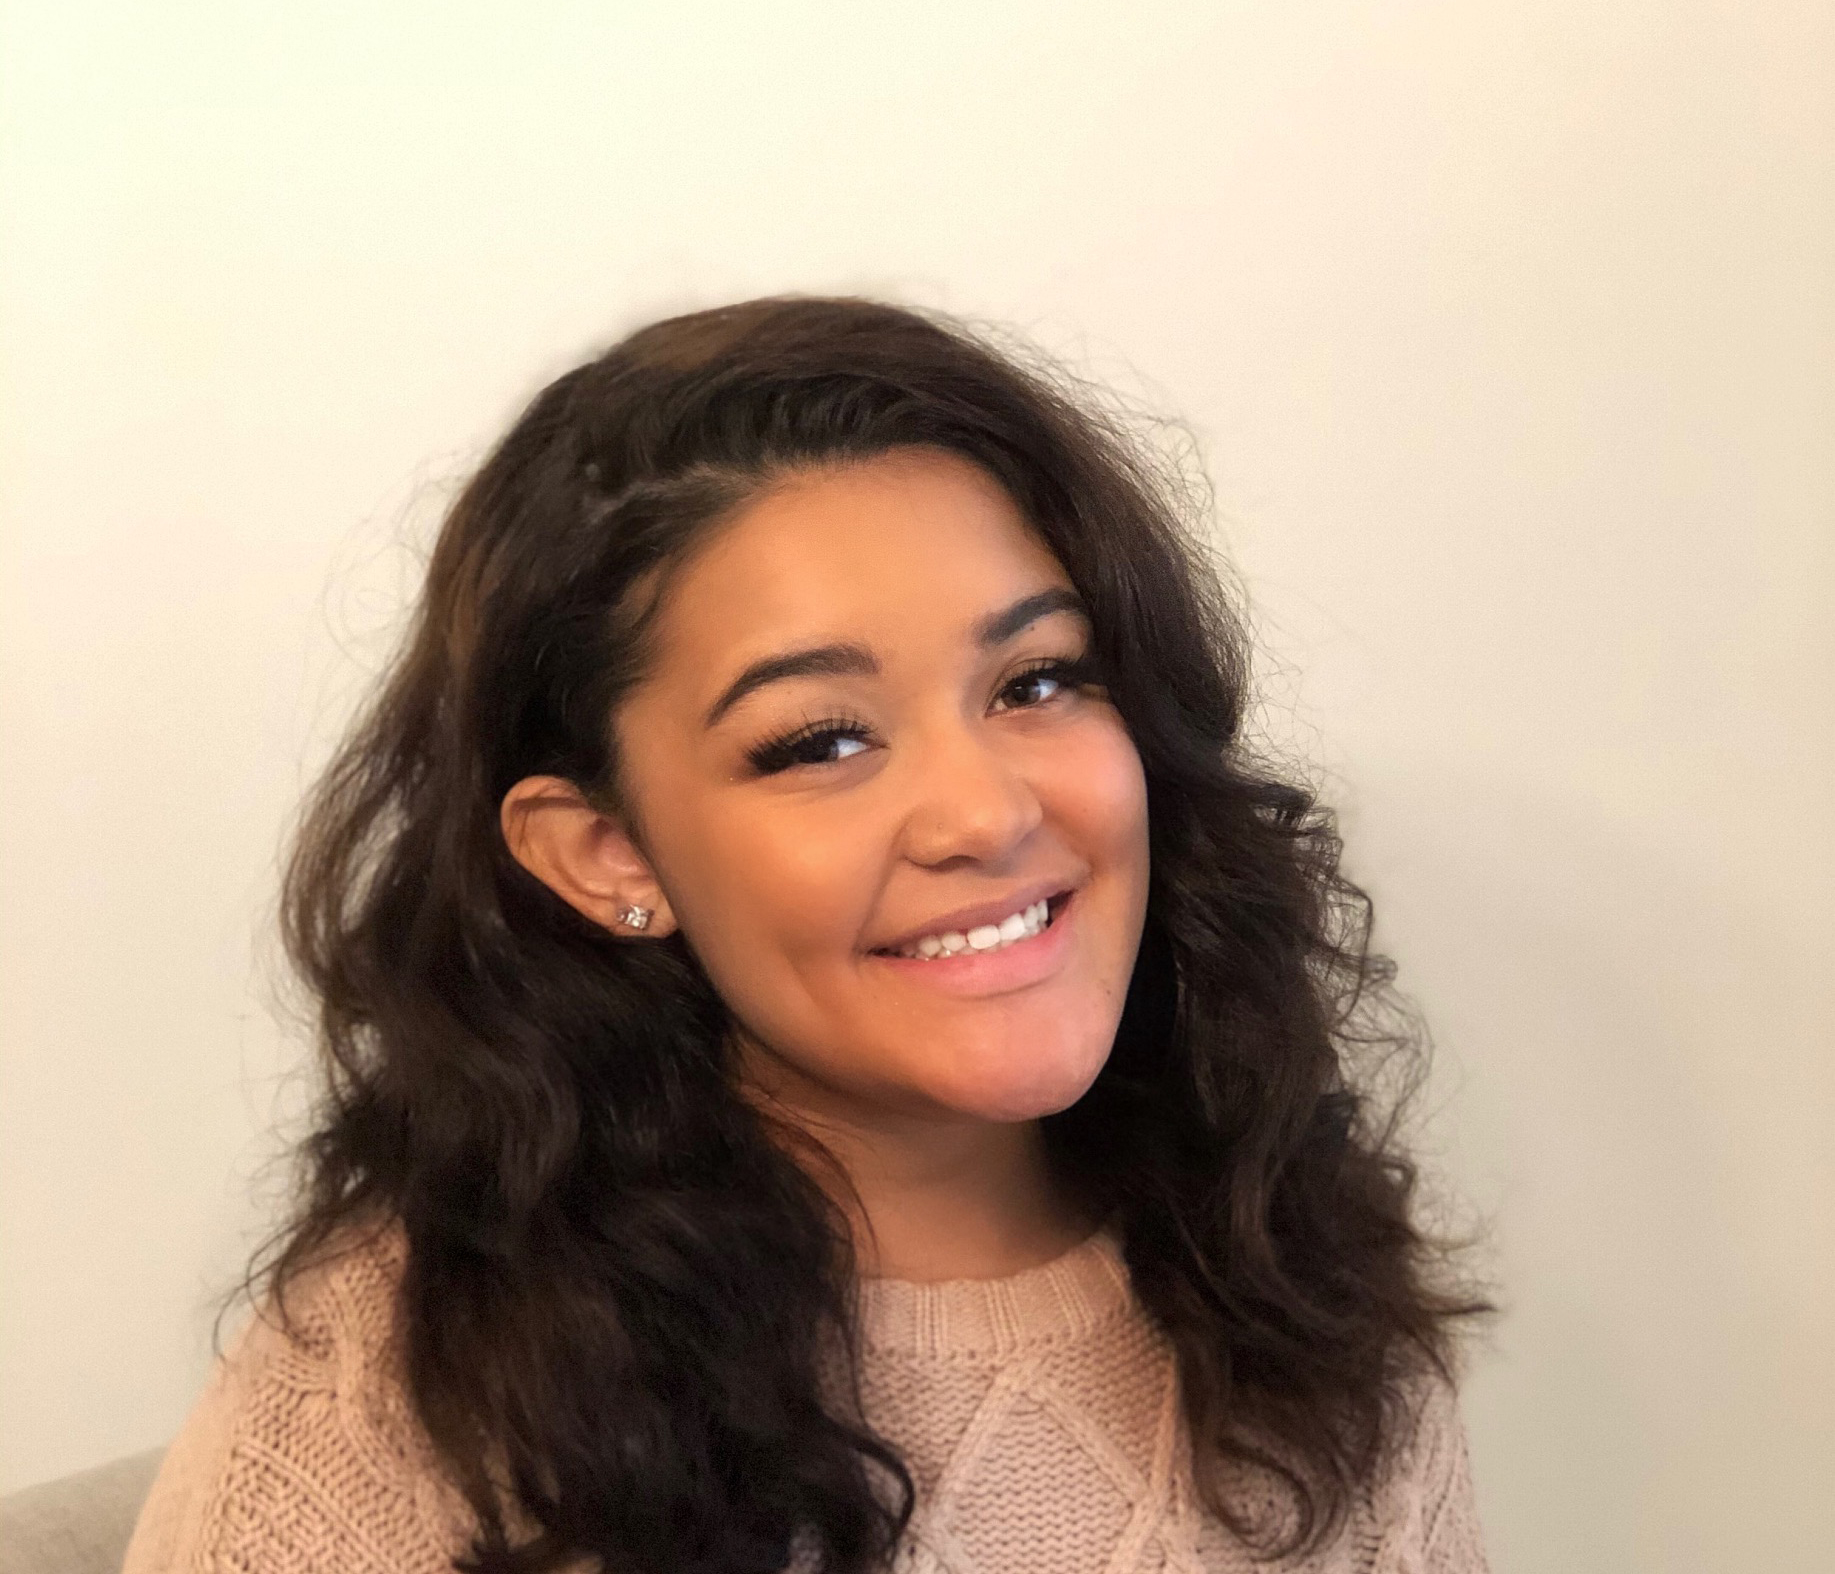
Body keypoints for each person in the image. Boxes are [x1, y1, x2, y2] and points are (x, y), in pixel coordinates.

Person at [124, 296, 1490, 1574]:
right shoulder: (381, 1411)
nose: (986, 811)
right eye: (821, 741)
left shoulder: (1299, 1282)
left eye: (1037, 680)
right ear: (607, 853)